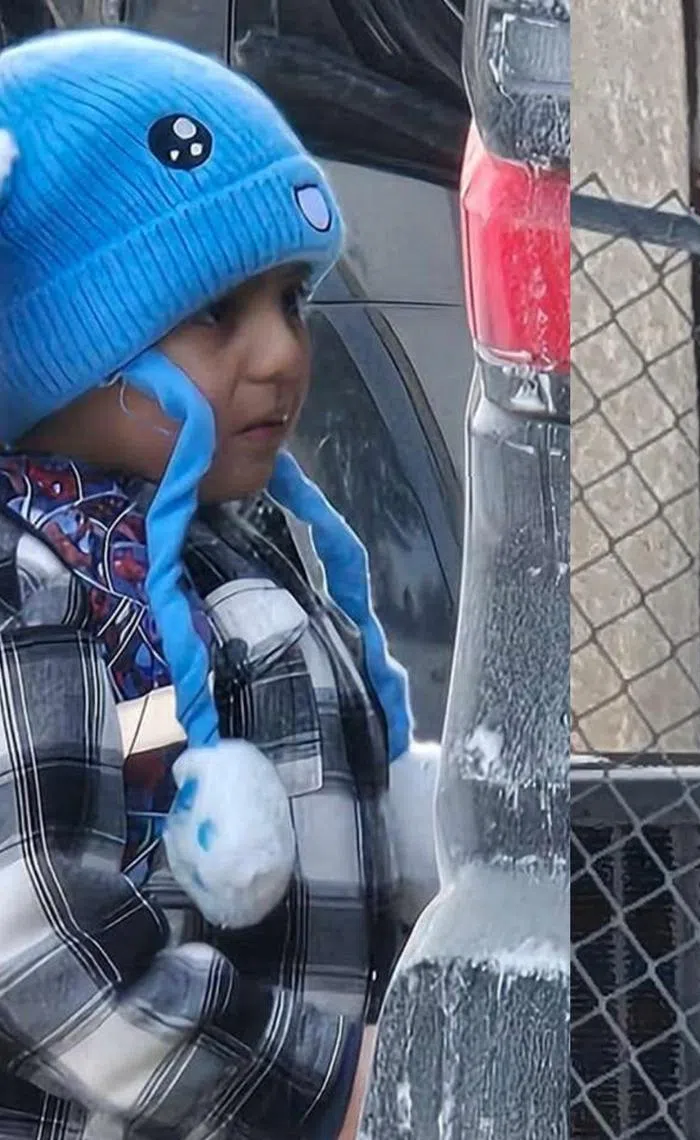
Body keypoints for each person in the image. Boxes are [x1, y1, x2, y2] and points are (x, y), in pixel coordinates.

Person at [0, 28, 440, 1140]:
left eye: (292, 300)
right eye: (215, 312)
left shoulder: (241, 546)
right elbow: (37, 950)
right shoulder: (34, 588)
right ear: (64, 338)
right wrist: (326, 1089)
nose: (282, 354)